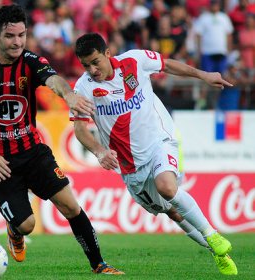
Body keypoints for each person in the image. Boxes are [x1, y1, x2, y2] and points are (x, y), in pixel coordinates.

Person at [0, 5, 123, 275]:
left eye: (22, 35)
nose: (17, 42)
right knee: (27, 225)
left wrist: (69, 96)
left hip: (32, 151)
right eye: (10, 36)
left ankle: (99, 265)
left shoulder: (31, 61)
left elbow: (53, 80)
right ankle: (15, 230)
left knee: (70, 205)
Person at [71, 32, 238, 276]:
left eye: (96, 62)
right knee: (172, 211)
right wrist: (98, 151)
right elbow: (79, 129)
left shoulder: (134, 61)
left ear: (108, 53)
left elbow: (167, 64)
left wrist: (203, 75)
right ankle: (218, 252)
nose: (92, 69)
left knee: (167, 188)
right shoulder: (83, 88)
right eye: (86, 65)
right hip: (130, 167)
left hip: (159, 141)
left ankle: (212, 235)